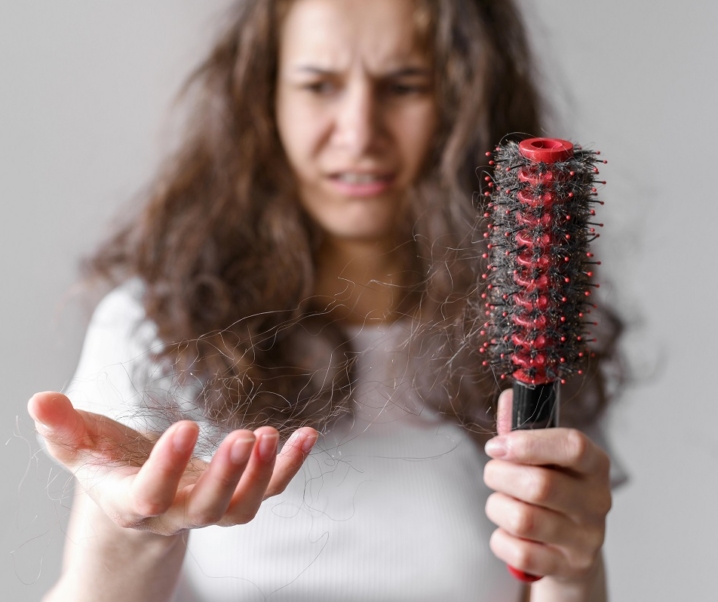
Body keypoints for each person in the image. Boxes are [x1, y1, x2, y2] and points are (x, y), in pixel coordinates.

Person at [28, 1, 622, 600]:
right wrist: (136, 532)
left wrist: (572, 568)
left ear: (464, 99)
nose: (360, 132)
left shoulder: (531, 333)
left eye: (404, 85)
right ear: (266, 99)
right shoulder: (153, 329)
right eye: (319, 85)